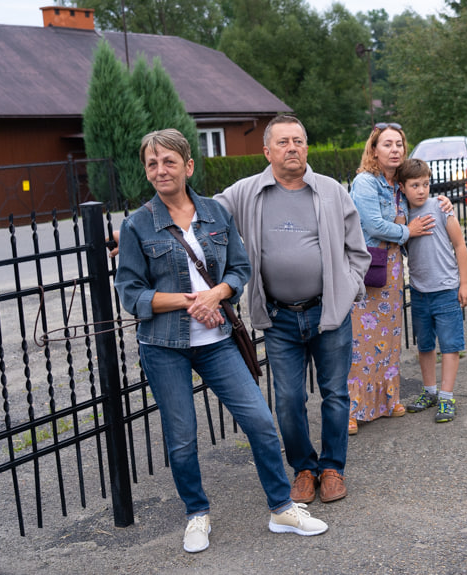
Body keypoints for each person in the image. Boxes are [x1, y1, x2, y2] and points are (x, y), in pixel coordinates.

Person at [115, 129, 328, 554]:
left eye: (169, 161)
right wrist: (189, 301)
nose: (160, 170)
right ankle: (197, 513)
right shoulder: (137, 225)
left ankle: (282, 509)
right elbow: (130, 294)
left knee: (261, 423)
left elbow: (240, 268)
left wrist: (218, 294)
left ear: (188, 166)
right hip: (163, 346)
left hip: (216, 340)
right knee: (182, 436)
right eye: (152, 163)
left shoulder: (214, 212)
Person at [214, 115, 370, 505]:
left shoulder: (332, 191)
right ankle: (304, 468)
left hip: (328, 313)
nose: (292, 148)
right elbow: (201, 214)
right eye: (283, 142)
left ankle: (332, 468)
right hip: (279, 317)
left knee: (335, 394)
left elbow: (358, 251)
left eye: (298, 141)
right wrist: (132, 231)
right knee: (287, 399)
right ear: (267, 151)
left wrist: (347, 289)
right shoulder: (246, 192)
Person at [347, 123, 446, 435]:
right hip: (368, 265)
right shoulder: (366, 182)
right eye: (387, 144)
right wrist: (408, 232)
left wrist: (443, 203)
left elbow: (421, 199)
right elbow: (373, 224)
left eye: (399, 144)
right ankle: (352, 409)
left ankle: (386, 402)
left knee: (389, 338)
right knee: (359, 341)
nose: (394, 150)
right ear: (374, 150)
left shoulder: (398, 184)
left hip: (391, 268)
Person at [396, 159, 467, 423]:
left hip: (446, 290)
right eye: (414, 185)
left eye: (425, 184)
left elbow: (460, 245)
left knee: (450, 346)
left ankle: (447, 396)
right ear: (402, 187)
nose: (421, 190)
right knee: (425, 345)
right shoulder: (402, 214)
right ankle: (429, 391)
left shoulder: (441, 207)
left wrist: (465, 283)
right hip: (419, 292)